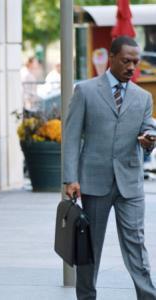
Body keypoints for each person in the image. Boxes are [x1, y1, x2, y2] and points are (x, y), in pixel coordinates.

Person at [63, 36, 156, 300]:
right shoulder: (86, 91)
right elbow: (71, 137)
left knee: (136, 246)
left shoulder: (143, 97)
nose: (131, 67)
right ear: (112, 57)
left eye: (135, 62)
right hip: (94, 182)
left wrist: (149, 139)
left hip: (130, 183)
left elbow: (147, 128)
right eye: (126, 61)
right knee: (90, 248)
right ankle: (87, 297)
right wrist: (70, 178)